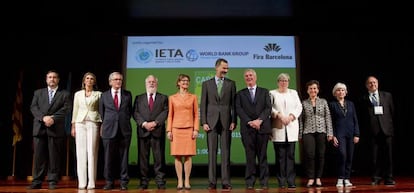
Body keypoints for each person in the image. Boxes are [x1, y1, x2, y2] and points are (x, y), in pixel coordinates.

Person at [28, 70, 72, 190]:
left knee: (54, 156)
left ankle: (52, 181)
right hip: (40, 128)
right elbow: (33, 107)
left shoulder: (65, 94)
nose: (52, 79)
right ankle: (37, 181)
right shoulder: (38, 92)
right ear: (46, 79)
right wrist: (43, 118)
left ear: (58, 80)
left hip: (55, 128)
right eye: (50, 77)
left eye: (54, 77)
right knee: (38, 157)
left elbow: (66, 109)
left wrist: (53, 118)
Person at [200, 58, 237, 190]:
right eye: (224, 68)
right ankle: (212, 182)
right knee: (212, 153)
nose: (226, 70)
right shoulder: (206, 84)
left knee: (226, 153)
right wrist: (203, 122)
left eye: (227, 68)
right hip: (211, 122)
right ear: (216, 67)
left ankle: (226, 182)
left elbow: (234, 105)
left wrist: (234, 120)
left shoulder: (231, 84)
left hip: (227, 122)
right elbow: (203, 104)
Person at [235, 69, 272, 190]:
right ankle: (250, 181)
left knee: (262, 156)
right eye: (246, 76)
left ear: (255, 77)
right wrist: (250, 122)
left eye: (251, 75)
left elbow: (268, 108)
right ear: (244, 79)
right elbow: (239, 109)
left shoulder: (264, 92)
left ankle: (264, 181)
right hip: (247, 129)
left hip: (262, 128)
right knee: (250, 156)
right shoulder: (240, 94)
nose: (248, 77)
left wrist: (259, 120)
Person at [133, 75, 169, 190]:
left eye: (153, 82)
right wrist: (144, 124)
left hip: (157, 131)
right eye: (149, 82)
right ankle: (143, 182)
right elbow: (135, 113)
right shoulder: (139, 98)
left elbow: (165, 111)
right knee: (143, 159)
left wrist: (156, 122)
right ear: (145, 84)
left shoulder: (163, 98)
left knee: (159, 159)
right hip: (143, 131)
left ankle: (160, 181)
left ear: (157, 84)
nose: (151, 83)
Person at [358, 76, 395, 185]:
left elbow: (392, 112)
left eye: (374, 82)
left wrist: (390, 127)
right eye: (370, 83)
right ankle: (376, 177)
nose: (372, 84)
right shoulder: (363, 98)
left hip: (386, 130)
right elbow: (362, 117)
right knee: (374, 156)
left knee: (388, 156)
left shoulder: (387, 95)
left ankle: (389, 178)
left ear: (377, 84)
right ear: (366, 85)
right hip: (372, 131)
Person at [99, 72, 133, 190]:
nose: (118, 81)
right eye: (115, 79)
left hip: (124, 130)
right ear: (110, 82)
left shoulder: (128, 95)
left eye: (120, 79)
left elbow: (129, 111)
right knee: (108, 157)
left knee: (124, 157)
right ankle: (109, 181)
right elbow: (101, 113)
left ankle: (124, 182)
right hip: (108, 130)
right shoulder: (104, 96)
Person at [269, 73, 302, 189]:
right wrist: (279, 115)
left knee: (291, 156)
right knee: (280, 157)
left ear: (288, 82)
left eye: (286, 81)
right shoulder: (272, 93)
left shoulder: (294, 93)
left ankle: (291, 181)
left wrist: (291, 117)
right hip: (278, 128)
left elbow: (299, 107)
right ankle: (281, 181)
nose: (284, 83)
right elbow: (270, 107)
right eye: (281, 81)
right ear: (278, 82)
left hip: (291, 128)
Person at [166, 74, 199, 190]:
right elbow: (170, 115)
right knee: (177, 156)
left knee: (188, 156)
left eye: (187, 81)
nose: (185, 82)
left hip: (189, 129)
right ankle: (180, 180)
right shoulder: (172, 98)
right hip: (176, 129)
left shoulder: (193, 97)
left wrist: (196, 129)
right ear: (178, 83)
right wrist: (169, 130)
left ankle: (187, 181)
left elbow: (196, 115)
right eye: (183, 80)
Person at [70, 72, 102, 190]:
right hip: (80, 123)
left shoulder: (98, 94)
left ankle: (91, 182)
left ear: (94, 81)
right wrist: (73, 126)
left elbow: (101, 110)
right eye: (87, 78)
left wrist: (101, 124)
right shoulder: (77, 94)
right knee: (80, 153)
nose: (89, 80)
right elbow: (75, 110)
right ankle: (82, 182)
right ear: (84, 81)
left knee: (92, 152)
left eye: (91, 79)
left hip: (93, 123)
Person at [299, 80, 333, 187]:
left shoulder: (323, 102)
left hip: (322, 131)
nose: (313, 90)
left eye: (314, 88)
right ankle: (310, 178)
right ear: (307, 90)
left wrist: (330, 132)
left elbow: (328, 117)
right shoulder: (304, 103)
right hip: (308, 131)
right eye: (310, 88)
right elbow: (301, 120)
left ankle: (318, 178)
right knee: (310, 155)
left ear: (318, 90)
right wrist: (300, 134)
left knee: (321, 155)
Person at [329, 82, 360, 187]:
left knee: (350, 156)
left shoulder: (351, 104)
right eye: (338, 90)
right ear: (335, 93)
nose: (341, 92)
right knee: (342, 155)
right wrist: (333, 135)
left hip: (351, 133)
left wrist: (357, 134)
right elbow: (330, 121)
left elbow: (355, 119)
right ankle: (340, 177)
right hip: (339, 134)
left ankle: (347, 178)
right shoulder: (332, 104)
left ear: (346, 92)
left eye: (343, 90)